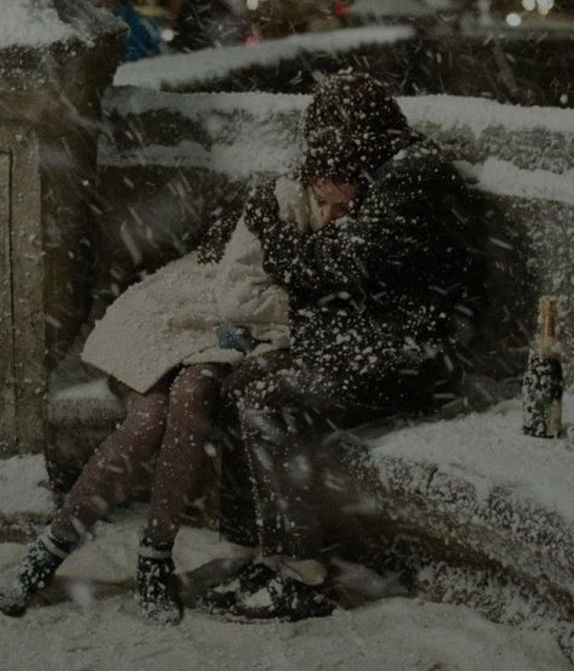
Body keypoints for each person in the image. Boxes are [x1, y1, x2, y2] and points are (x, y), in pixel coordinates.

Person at [203, 74, 484, 622]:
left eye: (332, 140)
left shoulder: (412, 177)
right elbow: (332, 264)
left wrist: (277, 240)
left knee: (273, 401)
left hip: (422, 354)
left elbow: (334, 263)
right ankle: (265, 550)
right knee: (239, 385)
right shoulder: (383, 170)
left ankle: (303, 576)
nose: (325, 154)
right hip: (377, 337)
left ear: (358, 134)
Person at [0, 143, 293, 625]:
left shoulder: (335, 227)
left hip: (223, 338)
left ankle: (155, 557)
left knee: (193, 396)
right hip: (176, 315)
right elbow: (232, 279)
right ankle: (50, 549)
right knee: (150, 418)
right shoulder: (279, 202)